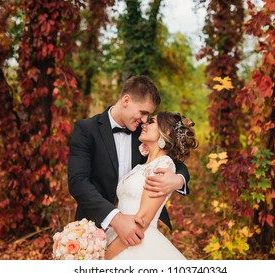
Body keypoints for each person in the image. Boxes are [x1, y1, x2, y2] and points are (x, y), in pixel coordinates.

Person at [67, 75, 190, 248]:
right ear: (126, 100)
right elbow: (78, 182)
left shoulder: (144, 133)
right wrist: (115, 218)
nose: (145, 120)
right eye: (143, 112)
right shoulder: (87, 129)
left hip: (139, 233)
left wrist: (178, 180)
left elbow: (173, 161)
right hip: (94, 228)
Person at [105, 112, 198, 259]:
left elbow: (142, 221)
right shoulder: (140, 167)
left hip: (134, 241)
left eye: (151, 122)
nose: (144, 124)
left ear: (166, 131)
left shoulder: (163, 164)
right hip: (117, 233)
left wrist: (106, 256)